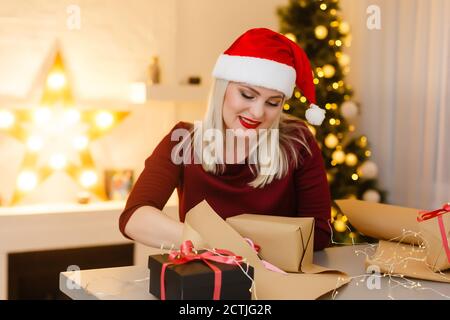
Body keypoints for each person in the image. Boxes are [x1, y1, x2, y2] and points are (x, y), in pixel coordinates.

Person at [119, 28, 331, 251]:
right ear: (223, 89)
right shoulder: (182, 141)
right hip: (209, 279)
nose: (258, 113)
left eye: (273, 102)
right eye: (247, 95)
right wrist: (218, 244)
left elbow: (319, 233)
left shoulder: (298, 141)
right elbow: (135, 217)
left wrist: (242, 248)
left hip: (278, 280)